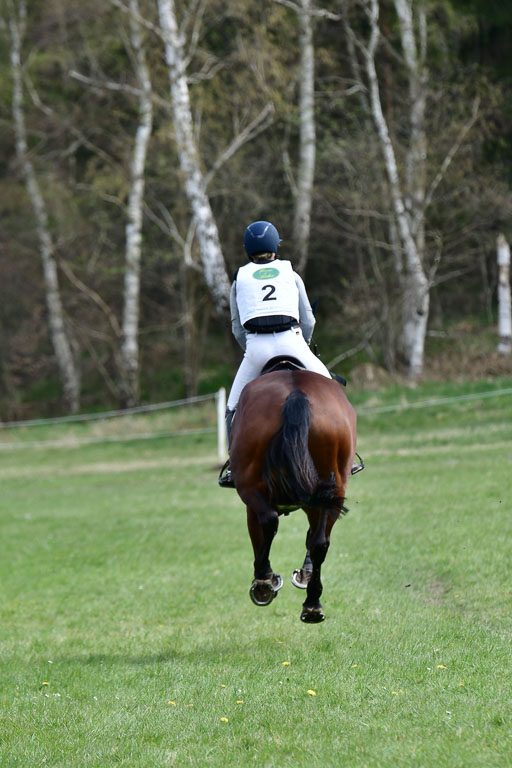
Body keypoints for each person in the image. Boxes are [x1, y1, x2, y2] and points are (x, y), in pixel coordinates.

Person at [218, 220, 332, 488]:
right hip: (293, 342)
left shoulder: (239, 279)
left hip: (257, 347)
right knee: (332, 391)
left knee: (232, 409)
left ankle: (233, 467)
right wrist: (303, 344)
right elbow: (309, 320)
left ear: (248, 249)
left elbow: (236, 327)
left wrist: (252, 352)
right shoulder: (290, 274)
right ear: (275, 245)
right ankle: (348, 458)